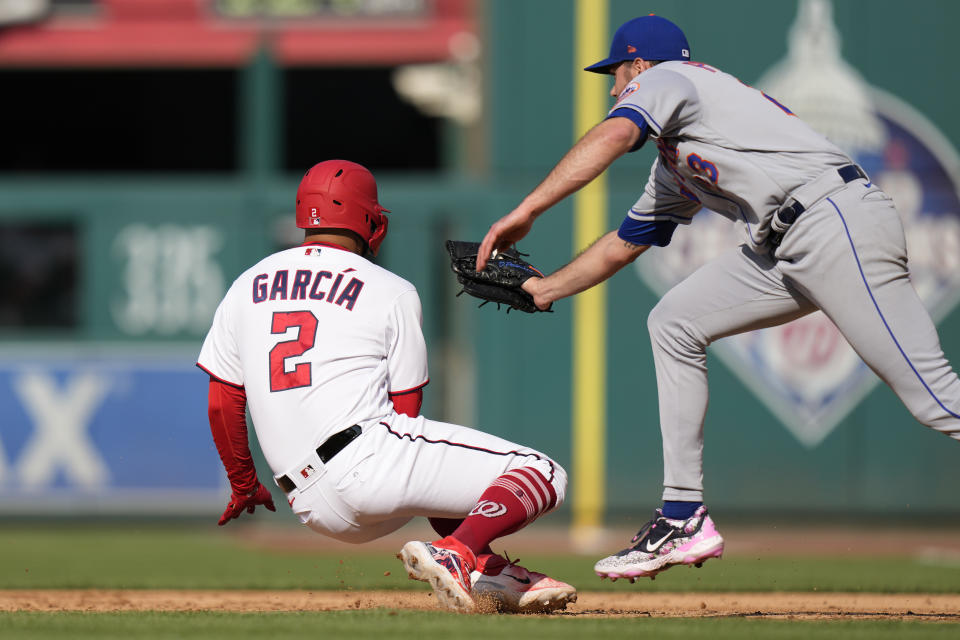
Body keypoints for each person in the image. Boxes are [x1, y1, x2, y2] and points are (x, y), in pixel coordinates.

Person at [477, 15, 960, 581]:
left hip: (836, 222)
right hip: (790, 245)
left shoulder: (671, 79)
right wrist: (542, 290)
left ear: (639, 65)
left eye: (616, 74)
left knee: (936, 399)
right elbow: (627, 243)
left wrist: (527, 210)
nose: (613, 88)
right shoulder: (678, 157)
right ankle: (682, 515)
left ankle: (682, 515)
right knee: (675, 322)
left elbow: (613, 134)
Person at [196, 160, 575, 613]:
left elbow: (223, 402)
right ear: (369, 220)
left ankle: (494, 574)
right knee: (544, 473)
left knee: (435, 467)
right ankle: (460, 552)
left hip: (305, 501)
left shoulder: (246, 285)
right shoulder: (389, 288)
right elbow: (406, 412)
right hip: (367, 465)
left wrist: (243, 484)